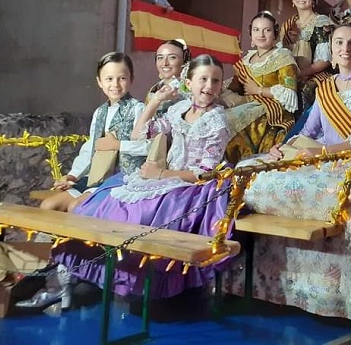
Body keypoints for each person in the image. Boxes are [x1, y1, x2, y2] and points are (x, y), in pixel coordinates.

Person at [230, 21, 351, 344]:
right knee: (250, 169)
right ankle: (250, 284)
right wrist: (286, 148)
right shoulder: (325, 88)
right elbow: (309, 132)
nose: (346, 49)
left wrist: (323, 152)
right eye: (339, 43)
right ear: (331, 51)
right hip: (318, 156)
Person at [43, 55, 232, 305]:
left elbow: (205, 172)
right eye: (203, 79)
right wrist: (155, 101)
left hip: (193, 186)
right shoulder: (179, 110)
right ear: (189, 82)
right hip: (165, 177)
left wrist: (161, 174)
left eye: (215, 81)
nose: (208, 86)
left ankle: (137, 279)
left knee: (142, 214)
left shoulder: (217, 121)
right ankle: (84, 274)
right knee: (103, 204)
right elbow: (140, 132)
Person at [38, 52, 148, 213]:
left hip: (123, 179)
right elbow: (91, 147)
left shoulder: (139, 109)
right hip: (96, 176)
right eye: (109, 79)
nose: (115, 84)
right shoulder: (100, 112)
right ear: (99, 81)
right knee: (48, 206)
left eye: (122, 78)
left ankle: (78, 238)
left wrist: (118, 145)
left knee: (77, 207)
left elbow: (148, 146)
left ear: (131, 79)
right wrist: (73, 175)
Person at [223, 12, 298, 164]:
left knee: (231, 121)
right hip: (246, 105)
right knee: (218, 118)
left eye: (267, 30)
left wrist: (258, 90)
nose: (261, 34)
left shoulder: (283, 56)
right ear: (251, 34)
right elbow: (235, 87)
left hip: (271, 111)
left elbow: (289, 92)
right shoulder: (246, 61)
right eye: (256, 30)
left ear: (275, 34)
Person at [279, 0, 333, 111]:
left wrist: (300, 74)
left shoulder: (321, 22)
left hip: (315, 73)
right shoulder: (289, 23)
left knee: (303, 91)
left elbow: (324, 61)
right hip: (290, 73)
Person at [146, 39, 190, 116]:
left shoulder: (188, 90)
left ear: (184, 60)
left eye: (172, 57)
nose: (165, 63)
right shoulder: (155, 89)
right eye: (160, 58)